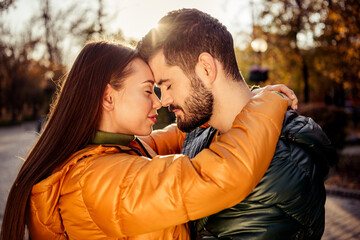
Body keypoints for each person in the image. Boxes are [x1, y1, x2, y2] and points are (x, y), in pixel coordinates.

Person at [0, 40, 290, 240]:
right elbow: (222, 174)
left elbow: (176, 136)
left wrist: (232, 104)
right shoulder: (101, 181)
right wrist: (268, 102)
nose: (158, 103)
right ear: (108, 97)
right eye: (148, 90)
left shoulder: (115, 151)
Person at [136, 8, 338, 239]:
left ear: (206, 68)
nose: (164, 101)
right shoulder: (205, 130)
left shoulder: (279, 166)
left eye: (168, 85)